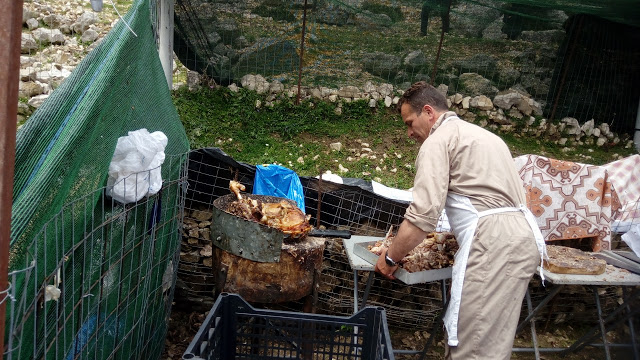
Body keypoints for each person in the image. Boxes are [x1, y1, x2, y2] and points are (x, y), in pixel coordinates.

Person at [375, 81, 546, 359]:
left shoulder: (438, 141)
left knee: (472, 344)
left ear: (428, 112)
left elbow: (422, 218)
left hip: (492, 242)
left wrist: (391, 258)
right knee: (493, 340)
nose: (409, 133)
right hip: (523, 238)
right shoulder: (486, 137)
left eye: (410, 122)